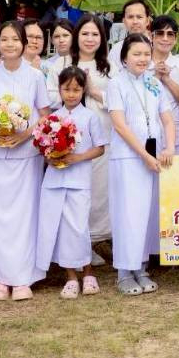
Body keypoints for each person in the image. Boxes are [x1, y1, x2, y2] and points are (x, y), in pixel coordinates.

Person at [0, 21, 52, 301]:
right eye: (4, 39)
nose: (9, 44)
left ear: (24, 43)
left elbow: (44, 115)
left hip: (25, 155)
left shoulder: (35, 76)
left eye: (15, 39)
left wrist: (25, 137)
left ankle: (23, 278)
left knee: (24, 215)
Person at [106, 33, 176, 295]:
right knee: (127, 214)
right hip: (128, 158)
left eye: (146, 54)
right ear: (124, 57)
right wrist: (145, 156)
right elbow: (120, 125)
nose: (142, 59)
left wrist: (168, 147)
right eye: (137, 54)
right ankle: (124, 271)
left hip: (154, 158)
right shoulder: (117, 84)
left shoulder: (153, 82)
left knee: (146, 214)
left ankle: (141, 266)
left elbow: (167, 119)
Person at [36, 66, 108, 300]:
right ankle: (70, 277)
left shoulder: (90, 117)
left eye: (76, 89)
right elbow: (43, 147)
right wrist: (51, 156)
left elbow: (99, 148)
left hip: (79, 181)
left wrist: (77, 157)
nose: (71, 94)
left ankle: (88, 272)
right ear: (59, 89)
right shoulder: (53, 117)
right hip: (54, 180)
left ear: (84, 90)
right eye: (67, 89)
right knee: (57, 228)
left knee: (78, 228)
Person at [72, 14, 113, 260]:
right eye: (85, 33)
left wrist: (93, 91)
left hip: (102, 135)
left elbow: (118, 101)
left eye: (95, 34)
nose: (89, 39)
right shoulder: (62, 62)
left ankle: (98, 238)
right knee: (77, 192)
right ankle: (79, 243)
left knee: (99, 190)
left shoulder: (109, 66)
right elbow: (52, 96)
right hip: (72, 138)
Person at [148, 15, 179, 159]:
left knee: (177, 180)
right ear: (151, 36)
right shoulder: (141, 63)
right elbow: (139, 99)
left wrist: (167, 79)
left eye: (170, 34)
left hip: (178, 135)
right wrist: (155, 77)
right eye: (160, 33)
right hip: (148, 134)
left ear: (175, 38)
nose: (165, 38)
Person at [108, 0, 153, 68]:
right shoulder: (116, 50)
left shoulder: (156, 47)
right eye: (130, 17)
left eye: (139, 17)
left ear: (147, 21)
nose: (135, 21)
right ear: (124, 21)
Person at [44, 19, 76, 97]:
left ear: (74, 36)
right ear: (51, 40)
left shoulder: (81, 62)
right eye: (57, 36)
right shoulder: (45, 65)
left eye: (65, 35)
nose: (61, 40)